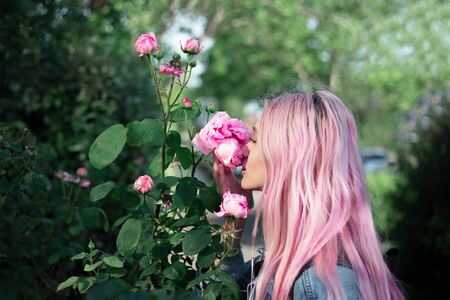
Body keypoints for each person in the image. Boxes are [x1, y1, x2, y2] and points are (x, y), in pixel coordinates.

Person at [213, 91, 404, 300]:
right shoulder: (293, 266)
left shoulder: (322, 283)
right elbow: (221, 293)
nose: (245, 149)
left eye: (256, 140)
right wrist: (234, 215)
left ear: (290, 156)